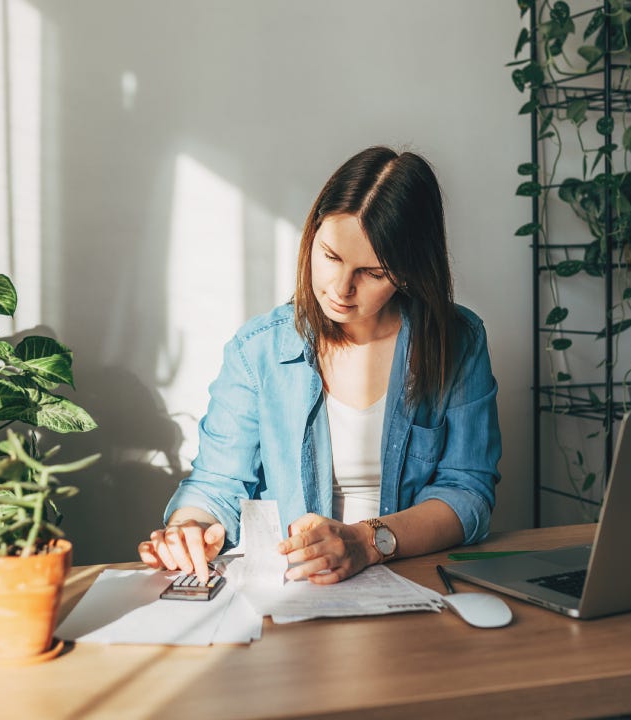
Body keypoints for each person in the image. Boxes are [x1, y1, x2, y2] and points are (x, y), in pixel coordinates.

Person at [137, 146, 501, 585]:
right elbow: (217, 483)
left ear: (408, 272)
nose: (341, 288)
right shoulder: (259, 351)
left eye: (372, 272)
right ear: (312, 236)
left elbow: (467, 492)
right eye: (330, 257)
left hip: (412, 576)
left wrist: (367, 543)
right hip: (296, 588)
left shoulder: (457, 341)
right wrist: (188, 529)